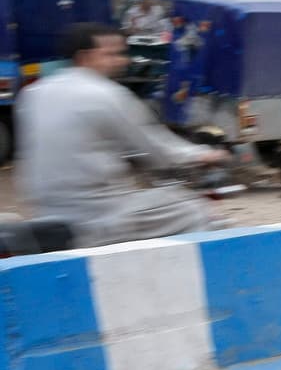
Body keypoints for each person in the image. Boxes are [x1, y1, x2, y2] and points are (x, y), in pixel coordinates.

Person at [16, 23, 227, 248]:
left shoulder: (33, 93)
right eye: (112, 54)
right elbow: (158, 148)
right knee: (193, 210)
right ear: (84, 57)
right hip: (100, 213)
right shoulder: (105, 93)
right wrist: (205, 155)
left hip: (47, 210)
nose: (123, 60)